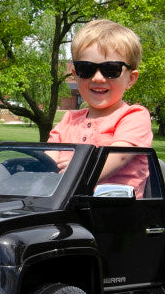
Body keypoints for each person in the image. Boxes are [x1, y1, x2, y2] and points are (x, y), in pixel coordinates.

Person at [48, 19, 153, 195]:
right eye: (86, 69)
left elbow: (118, 155)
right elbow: (48, 158)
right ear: (75, 74)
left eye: (111, 69)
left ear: (131, 78)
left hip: (114, 212)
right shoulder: (69, 120)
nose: (97, 78)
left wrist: (77, 171)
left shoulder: (134, 116)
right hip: (65, 207)